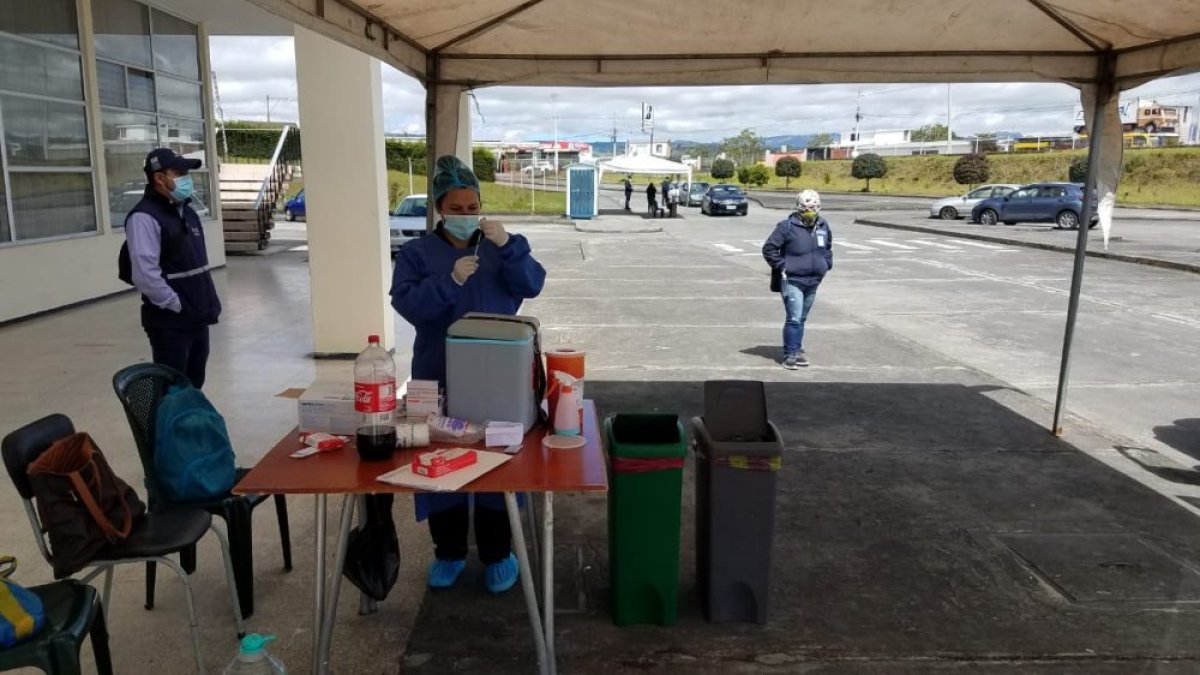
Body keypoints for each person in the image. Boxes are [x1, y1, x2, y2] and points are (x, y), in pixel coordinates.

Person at [390, 155, 547, 593]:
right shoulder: (419, 253)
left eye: (472, 206)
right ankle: (449, 551)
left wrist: (512, 245)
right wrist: (448, 283)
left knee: (496, 459)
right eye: (455, 208)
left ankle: (499, 552)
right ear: (440, 208)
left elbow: (532, 285)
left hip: (496, 373)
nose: (465, 216)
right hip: (436, 372)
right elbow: (407, 305)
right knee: (441, 464)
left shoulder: (499, 247)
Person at [124, 148, 220, 388]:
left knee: (193, 387)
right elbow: (145, 274)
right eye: (179, 172)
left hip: (197, 318)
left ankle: (189, 426)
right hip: (172, 324)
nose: (186, 178)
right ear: (159, 177)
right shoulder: (144, 217)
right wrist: (176, 304)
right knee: (172, 392)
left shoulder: (186, 212)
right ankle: (170, 427)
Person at [761, 189, 833, 369]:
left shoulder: (823, 226)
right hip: (792, 280)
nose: (811, 211)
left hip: (814, 280)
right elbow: (769, 248)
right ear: (800, 208)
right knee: (793, 317)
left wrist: (826, 264)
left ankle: (797, 349)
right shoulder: (787, 227)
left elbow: (828, 248)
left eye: (815, 207)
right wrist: (782, 266)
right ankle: (790, 355)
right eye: (807, 208)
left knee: (802, 317)